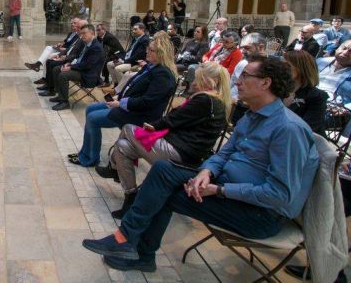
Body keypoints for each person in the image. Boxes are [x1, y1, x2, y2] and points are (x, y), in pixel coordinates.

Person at [81, 55, 319, 274]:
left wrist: (219, 189)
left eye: (245, 75)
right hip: (226, 185)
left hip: (259, 214)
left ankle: (135, 248)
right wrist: (208, 171)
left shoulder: (288, 129)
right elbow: (224, 154)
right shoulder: (252, 115)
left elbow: (279, 195)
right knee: (163, 171)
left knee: (163, 192)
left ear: (266, 83)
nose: (237, 80)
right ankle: (128, 240)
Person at [101, 61, 231, 218]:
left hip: (182, 153)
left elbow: (172, 119)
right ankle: (130, 195)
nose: (194, 83)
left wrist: (151, 126)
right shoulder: (214, 100)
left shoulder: (205, 100)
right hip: (182, 148)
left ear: (212, 81)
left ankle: (113, 168)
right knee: (122, 146)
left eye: (198, 79)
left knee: (128, 128)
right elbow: (177, 119)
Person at [69, 39, 176, 167]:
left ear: (161, 53)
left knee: (93, 118)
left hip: (140, 115)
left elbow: (148, 101)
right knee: (90, 108)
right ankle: (86, 152)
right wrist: (118, 98)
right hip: (130, 106)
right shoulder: (151, 66)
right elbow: (132, 86)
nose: (147, 52)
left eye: (151, 50)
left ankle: (90, 158)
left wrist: (121, 103)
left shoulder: (163, 74)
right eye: (148, 48)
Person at [48, 24, 105, 111]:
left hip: (89, 75)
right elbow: (79, 59)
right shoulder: (88, 43)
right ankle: (60, 96)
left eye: (84, 33)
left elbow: (87, 65)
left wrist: (71, 67)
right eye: (81, 34)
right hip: (82, 69)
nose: (82, 36)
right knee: (56, 69)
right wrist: (69, 64)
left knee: (63, 75)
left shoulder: (96, 47)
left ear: (92, 33)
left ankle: (64, 102)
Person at [37, 20, 87, 95]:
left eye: (79, 27)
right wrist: (60, 55)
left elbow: (77, 55)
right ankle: (48, 85)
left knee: (52, 64)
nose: (76, 28)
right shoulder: (78, 36)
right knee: (49, 61)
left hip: (70, 60)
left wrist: (65, 58)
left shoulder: (83, 40)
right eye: (77, 27)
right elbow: (69, 48)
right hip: (67, 56)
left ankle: (51, 90)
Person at [285, 50, 328, 134]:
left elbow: (307, 130)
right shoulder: (279, 89)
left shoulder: (317, 97)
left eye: (287, 66)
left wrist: (283, 107)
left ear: (301, 69)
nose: (281, 69)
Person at [230, 33, 267, 124]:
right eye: (242, 48)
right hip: (233, 104)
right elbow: (232, 82)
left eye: (247, 48)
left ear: (260, 47)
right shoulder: (242, 63)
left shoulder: (269, 67)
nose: (242, 51)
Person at [106, 23, 150, 87]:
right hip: (128, 59)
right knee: (109, 64)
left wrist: (124, 61)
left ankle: (122, 88)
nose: (133, 31)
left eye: (135, 29)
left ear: (142, 30)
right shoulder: (135, 38)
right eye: (133, 29)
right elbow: (129, 52)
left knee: (117, 69)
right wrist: (121, 58)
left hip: (134, 62)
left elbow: (138, 56)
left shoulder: (145, 40)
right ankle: (116, 84)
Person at [317, 40, 351, 107]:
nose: (345, 52)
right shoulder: (318, 62)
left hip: (331, 111)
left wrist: (345, 109)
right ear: (337, 48)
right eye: (344, 48)